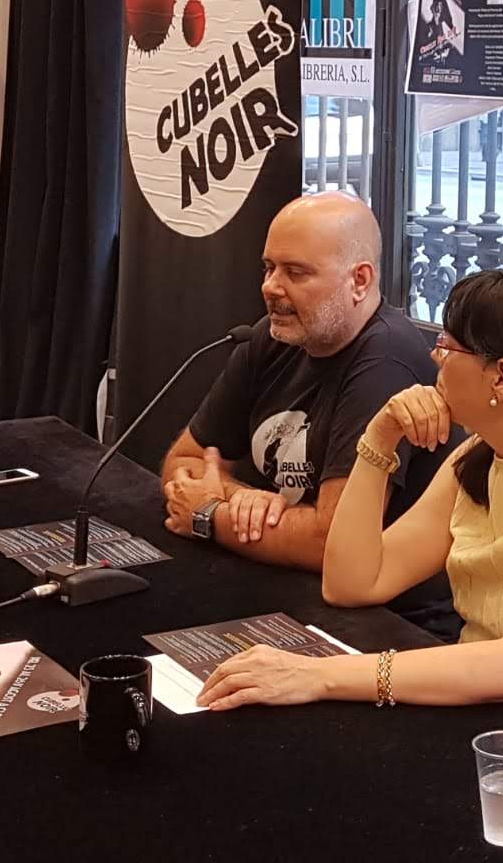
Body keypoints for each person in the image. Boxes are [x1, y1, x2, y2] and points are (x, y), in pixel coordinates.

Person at [194, 270, 503, 779]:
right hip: (500, 733)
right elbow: (352, 583)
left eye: (448, 347)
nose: (434, 358)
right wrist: (378, 439)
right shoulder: (482, 453)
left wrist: (318, 676)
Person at [160, 191, 460, 639]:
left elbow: (330, 540)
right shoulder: (273, 337)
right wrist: (242, 497)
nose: (271, 287)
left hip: (392, 622)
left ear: (359, 281)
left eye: (295, 272)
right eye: (269, 268)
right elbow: (183, 463)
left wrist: (211, 515)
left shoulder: (385, 362)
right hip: (283, 585)